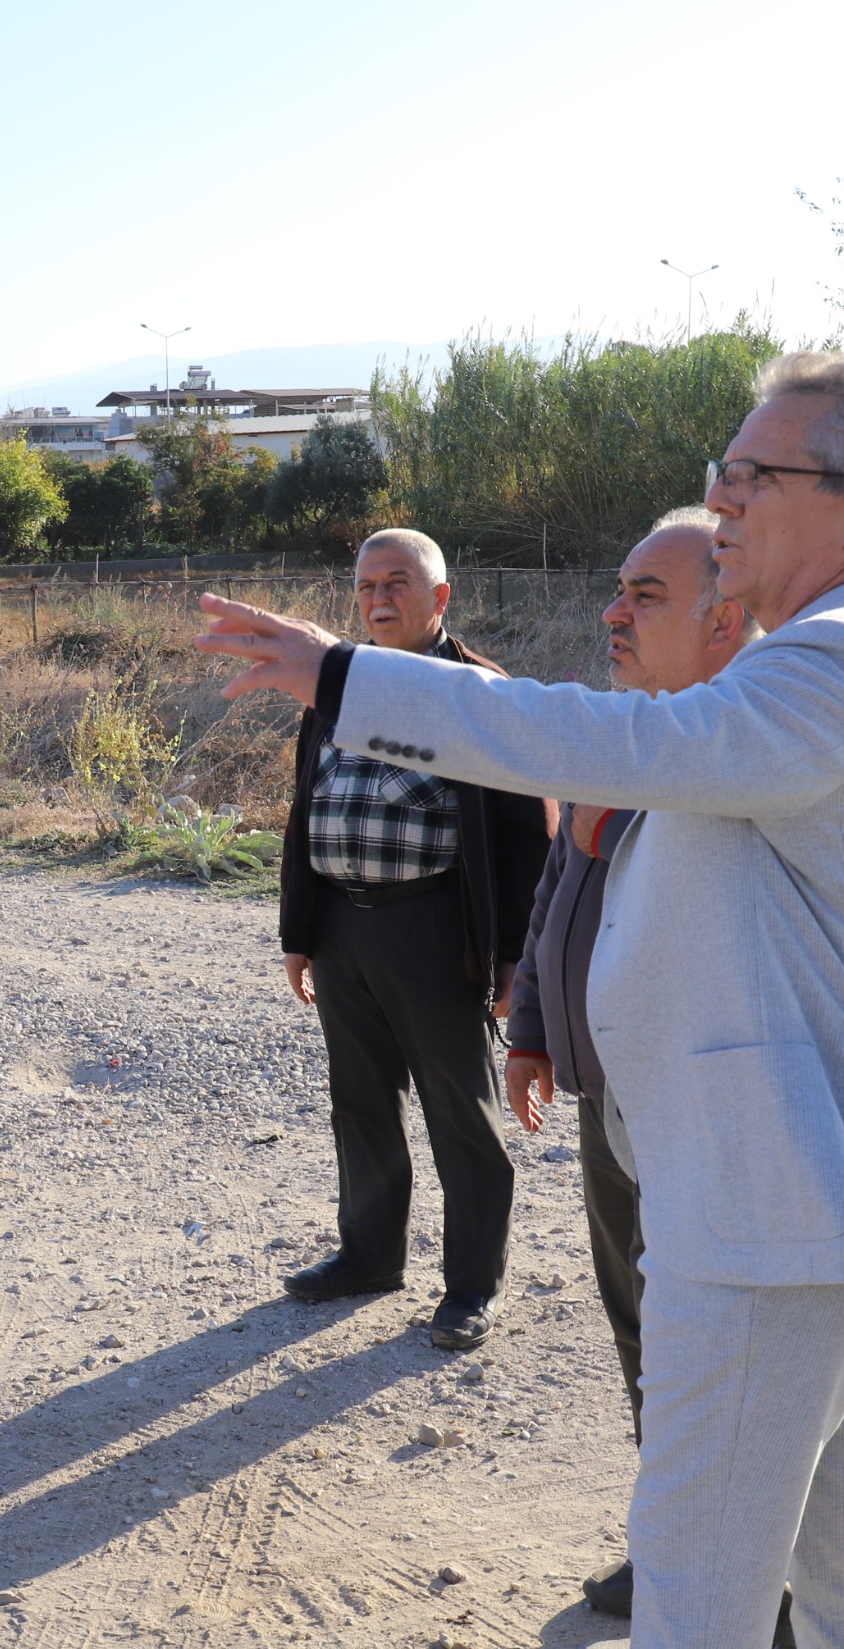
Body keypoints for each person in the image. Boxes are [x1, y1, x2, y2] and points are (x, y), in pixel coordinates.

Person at [196, 351, 844, 1649]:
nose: (724, 498)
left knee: (694, 1597)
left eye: (754, 473)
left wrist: (350, 679)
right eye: (720, 470)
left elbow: (625, 744)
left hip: (769, 1214)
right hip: (794, 1208)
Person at [500, 510, 756, 1623]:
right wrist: (527, 1025)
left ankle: (746, 1572)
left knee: (715, 1353)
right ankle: (671, 1545)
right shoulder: (617, 736)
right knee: (639, 1327)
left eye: (645, 595)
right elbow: (556, 892)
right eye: (617, 588)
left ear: (725, 617)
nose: (611, 610)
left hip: (696, 1110)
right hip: (606, 1099)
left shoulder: (740, 754)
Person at [274, 528, 552, 1350]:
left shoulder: (480, 693)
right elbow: (306, 812)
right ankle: (368, 1257)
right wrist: (299, 932)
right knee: (359, 1104)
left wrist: (513, 962)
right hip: (342, 928)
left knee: (460, 1113)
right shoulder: (338, 686)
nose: (377, 598)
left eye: (397, 582)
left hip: (436, 928)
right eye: (364, 586)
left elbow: (526, 839)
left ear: (441, 597)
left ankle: (472, 1286)